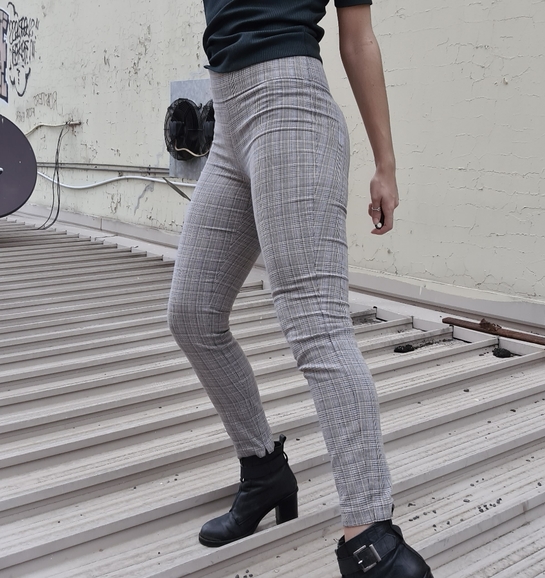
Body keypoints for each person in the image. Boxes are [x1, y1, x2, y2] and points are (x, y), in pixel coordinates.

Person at [167, 1, 434, 576]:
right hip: (226, 123)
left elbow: (358, 38)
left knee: (316, 324)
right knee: (192, 314)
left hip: (289, 104)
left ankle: (371, 535)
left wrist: (385, 164)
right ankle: (264, 472)